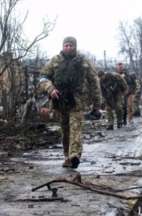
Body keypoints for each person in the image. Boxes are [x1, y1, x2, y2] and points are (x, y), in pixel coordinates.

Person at [39, 36, 101, 169]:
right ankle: (67, 156)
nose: (68, 48)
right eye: (66, 45)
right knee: (65, 129)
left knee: (75, 127)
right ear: (62, 46)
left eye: (71, 45)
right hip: (60, 101)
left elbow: (94, 82)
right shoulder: (55, 61)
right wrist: (50, 88)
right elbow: (43, 77)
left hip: (77, 101)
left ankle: (74, 155)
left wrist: (97, 104)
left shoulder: (83, 61)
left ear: (75, 47)